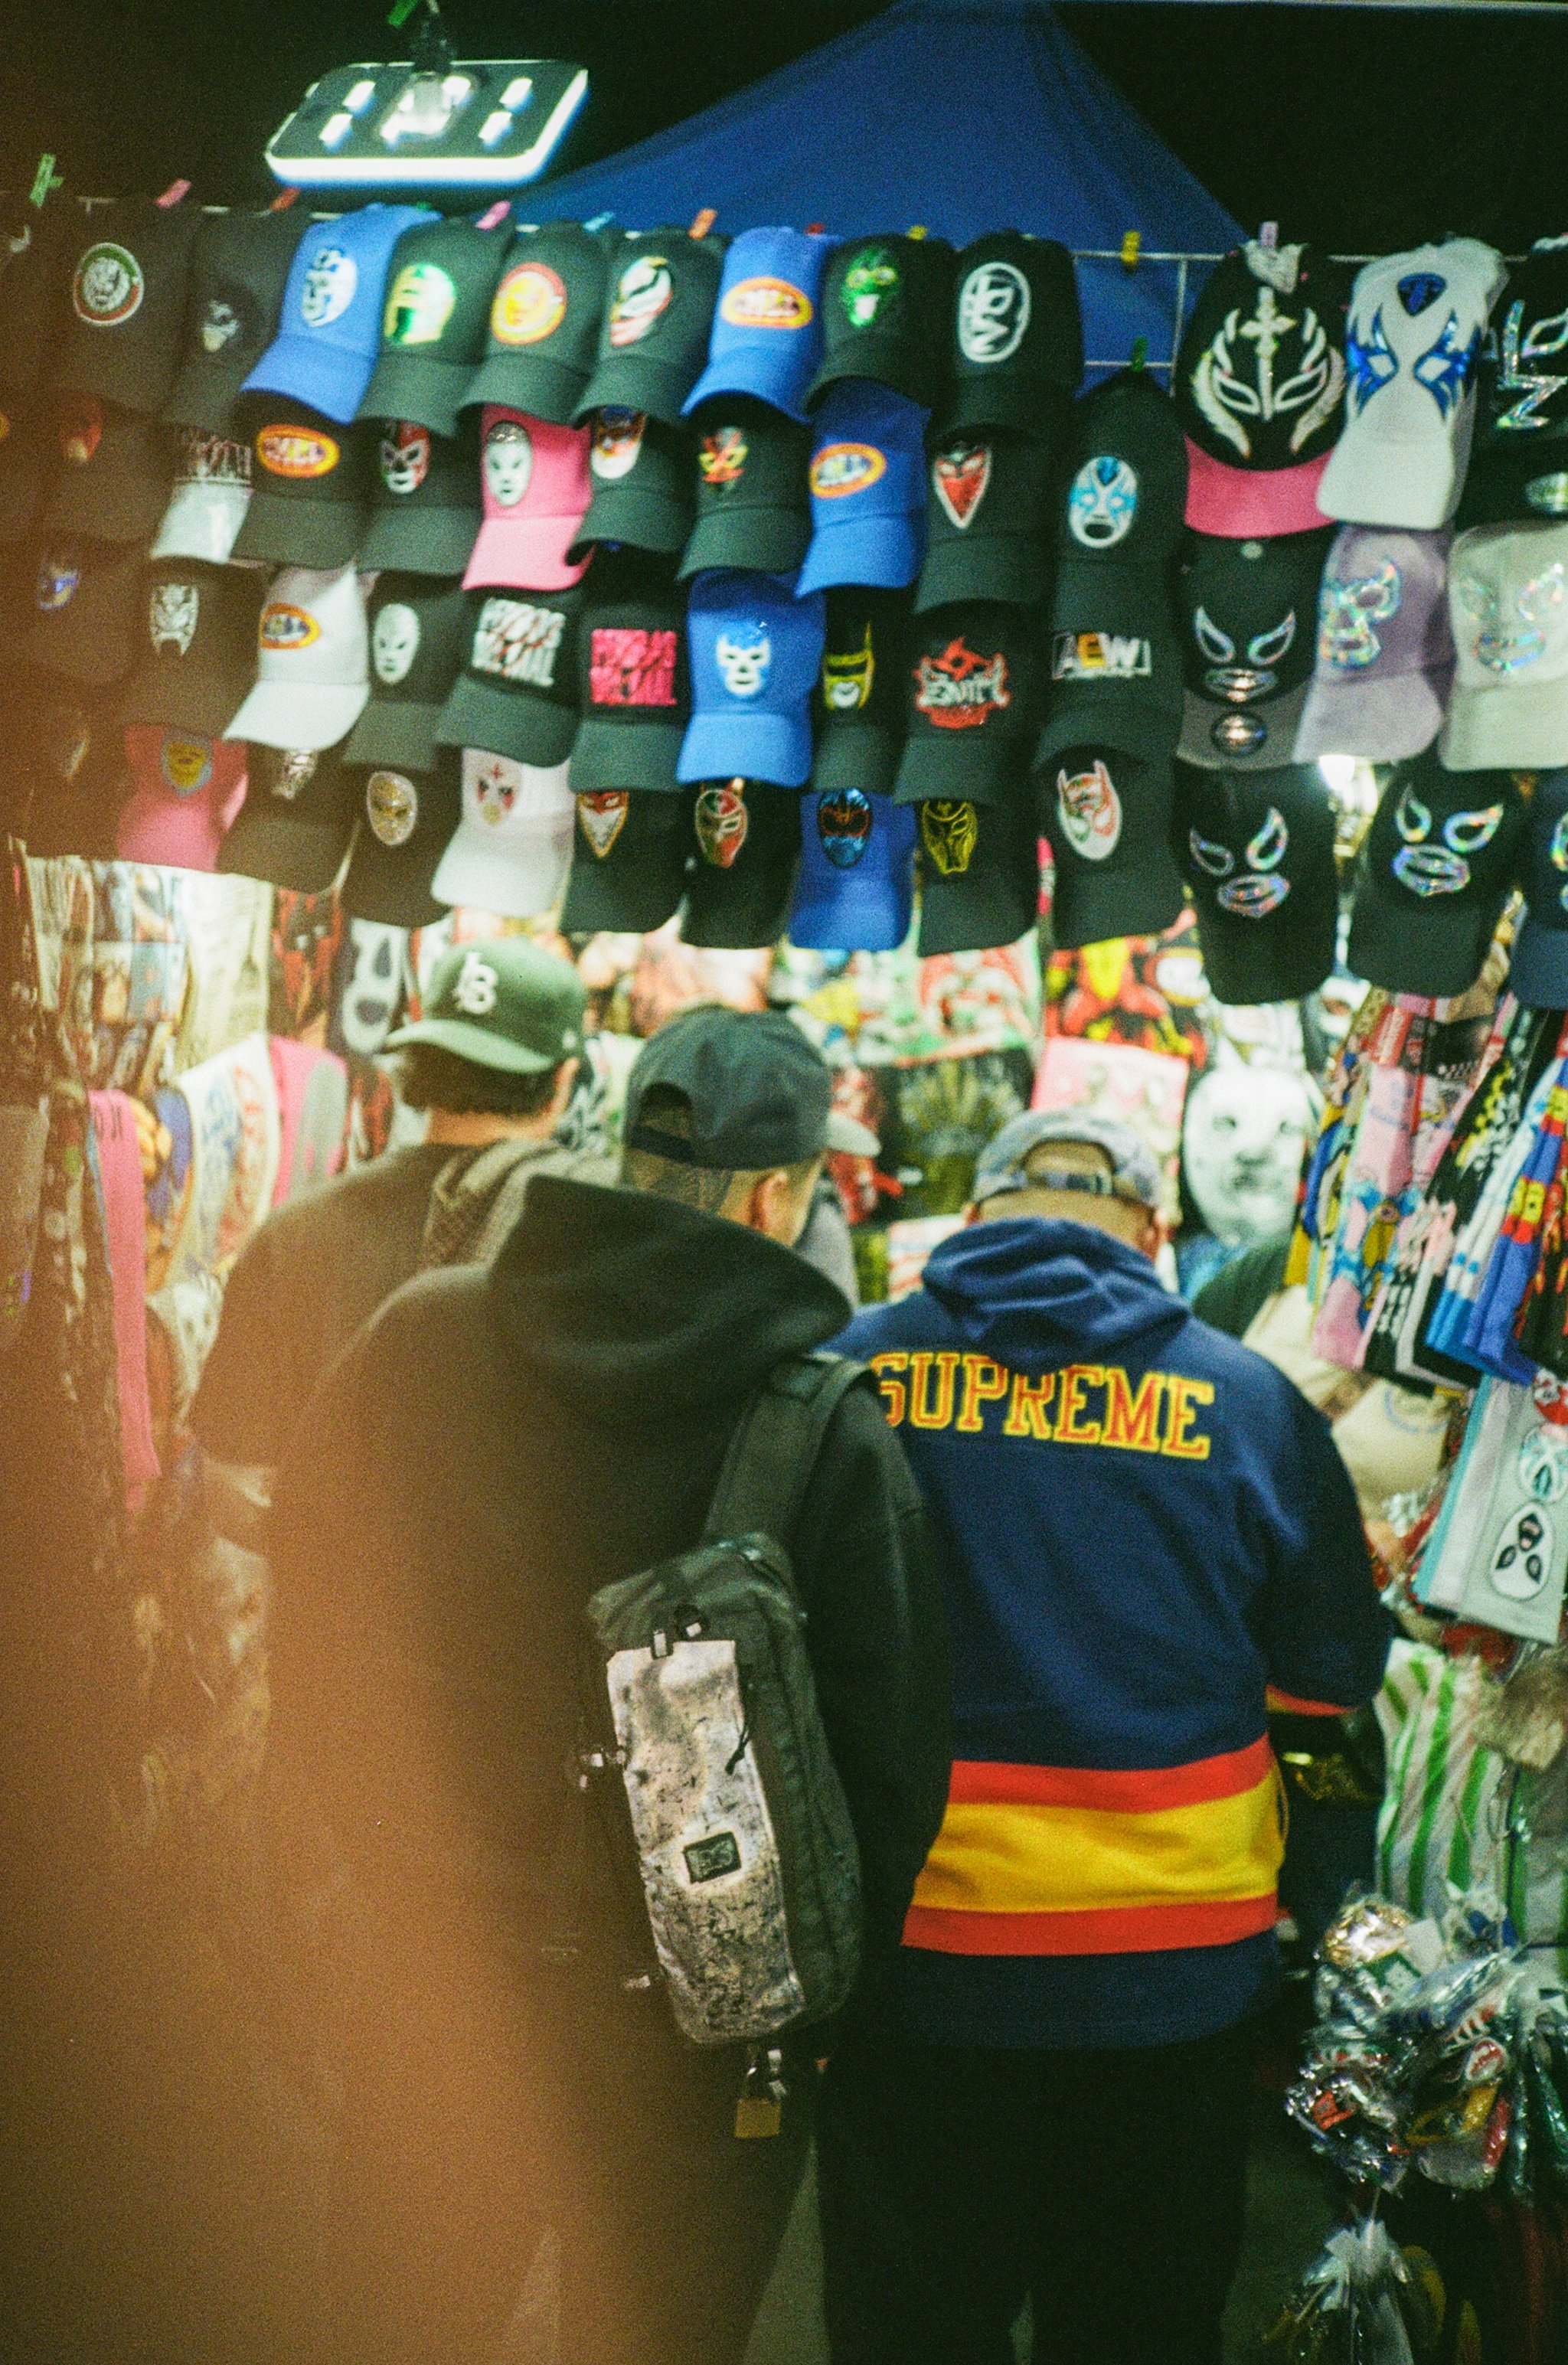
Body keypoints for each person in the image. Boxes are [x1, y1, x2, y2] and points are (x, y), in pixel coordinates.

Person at [261, 1004, 952, 2365]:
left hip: (435, 1990)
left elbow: (313, 1625)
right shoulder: (823, 1428)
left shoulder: (419, 1332)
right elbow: (889, 1763)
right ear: (776, 1190)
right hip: (696, 2046)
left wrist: (360, 1882)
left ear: (628, 1152)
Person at [821, 1109, 1390, 2365]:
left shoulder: (844, 1374)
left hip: (910, 1967)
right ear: (1152, 1228)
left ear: (971, 1220)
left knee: (910, 2327)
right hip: (1165, 1984)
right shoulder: (1248, 1406)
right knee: (1135, 2325)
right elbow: (1324, 1695)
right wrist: (1333, 1913)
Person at [191, 936, 607, 1490]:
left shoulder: (297, 1231)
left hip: (319, 1566)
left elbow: (229, 1462)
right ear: (562, 1081)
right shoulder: (586, 1242)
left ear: (418, 1064)